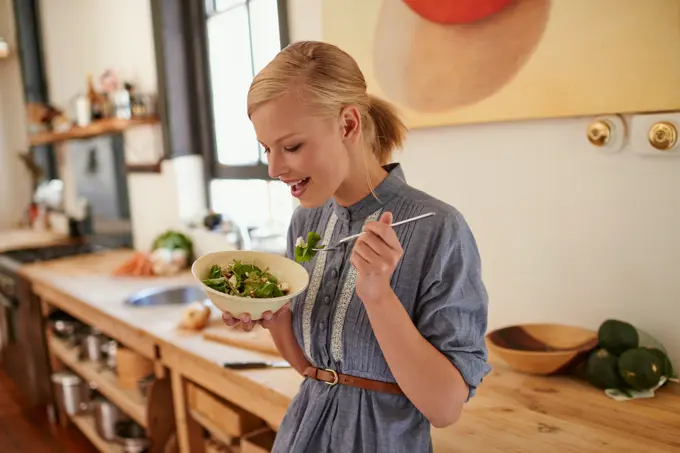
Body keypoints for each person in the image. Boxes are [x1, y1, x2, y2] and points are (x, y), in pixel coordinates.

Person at [221, 40, 491, 453]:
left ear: (348, 124)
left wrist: (378, 296)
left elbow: (445, 407)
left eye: (291, 146)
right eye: (267, 149)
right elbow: (313, 370)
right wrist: (272, 317)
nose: (275, 168)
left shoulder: (438, 228)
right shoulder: (306, 222)